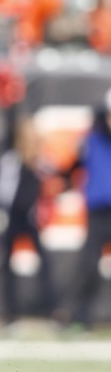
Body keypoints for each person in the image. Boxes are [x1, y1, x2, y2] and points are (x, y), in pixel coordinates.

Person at [0, 117, 56, 326]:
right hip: (13, 217)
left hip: (31, 217)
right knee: (7, 266)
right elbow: (4, 189)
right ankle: (9, 315)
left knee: (44, 264)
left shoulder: (41, 162)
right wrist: (0, 212)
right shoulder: (10, 159)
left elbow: (56, 181)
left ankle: (51, 311)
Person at [60, 90, 111, 330]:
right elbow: (70, 169)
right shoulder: (91, 140)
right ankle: (80, 316)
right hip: (99, 211)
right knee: (88, 265)